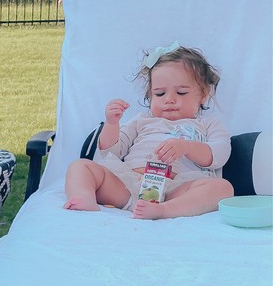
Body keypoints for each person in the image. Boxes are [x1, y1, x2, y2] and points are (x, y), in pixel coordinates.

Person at [63, 42, 233, 219]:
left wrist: (187, 147)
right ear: (150, 95)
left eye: (181, 92)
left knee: (223, 188)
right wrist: (112, 124)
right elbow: (111, 151)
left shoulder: (208, 124)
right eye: (160, 94)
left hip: (176, 189)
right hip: (129, 184)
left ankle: (165, 210)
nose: (169, 100)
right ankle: (83, 198)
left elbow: (219, 155)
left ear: (204, 94)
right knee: (80, 166)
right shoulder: (142, 120)